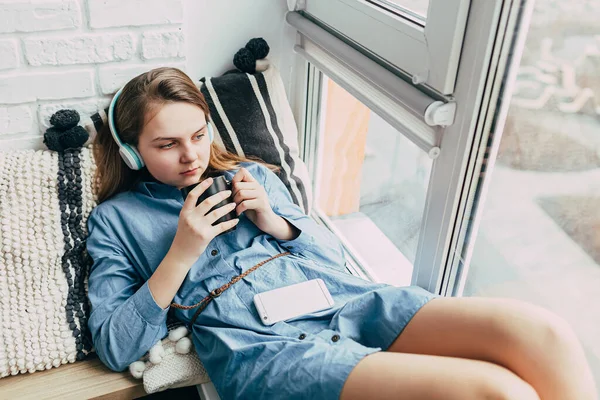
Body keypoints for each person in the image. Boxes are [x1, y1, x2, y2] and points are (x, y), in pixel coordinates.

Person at [87, 67, 597, 400]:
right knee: (499, 393)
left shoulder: (253, 176)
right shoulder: (116, 221)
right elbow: (114, 344)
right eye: (167, 144)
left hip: (347, 298)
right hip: (263, 346)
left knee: (545, 334)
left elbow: (335, 262)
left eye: (198, 135)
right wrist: (181, 253)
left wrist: (276, 222)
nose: (192, 155)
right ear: (132, 152)